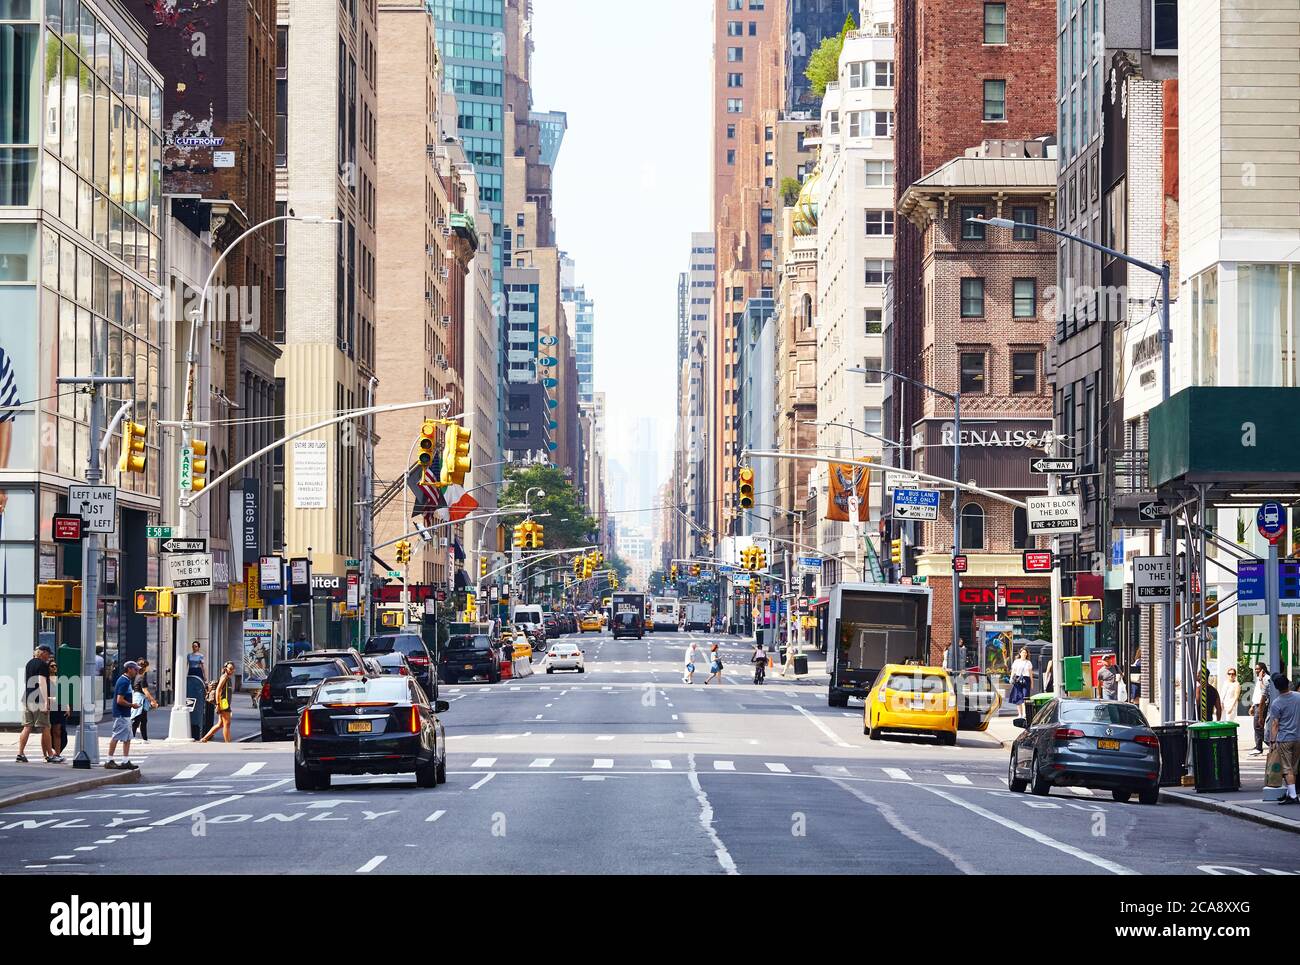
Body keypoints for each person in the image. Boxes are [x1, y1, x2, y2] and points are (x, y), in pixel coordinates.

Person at [16, 644, 55, 763]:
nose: (48, 657)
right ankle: (50, 756)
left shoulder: (29, 663)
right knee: (46, 727)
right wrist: (44, 703)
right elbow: (41, 682)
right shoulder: (42, 665)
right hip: (38, 700)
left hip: (27, 698)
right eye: (48, 654)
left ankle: (20, 753)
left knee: (27, 726)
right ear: (42, 653)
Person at [1266, 673, 1300, 806]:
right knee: (1294, 767)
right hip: (1298, 737)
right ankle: (1290, 792)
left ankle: (1292, 795)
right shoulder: (1298, 697)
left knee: (1287, 768)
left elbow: (1275, 724)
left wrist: (1272, 741)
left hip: (1285, 738)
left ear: (1276, 687)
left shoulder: (1277, 703)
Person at [104, 662, 140, 770]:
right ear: (129, 669)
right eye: (135, 669)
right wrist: (132, 705)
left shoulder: (126, 680)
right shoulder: (124, 681)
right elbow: (119, 700)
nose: (136, 671)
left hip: (125, 714)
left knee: (127, 738)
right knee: (116, 736)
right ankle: (109, 760)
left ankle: (125, 760)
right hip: (121, 714)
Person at [200, 662, 236, 743]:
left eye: (233, 669)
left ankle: (204, 738)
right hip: (223, 703)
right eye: (230, 668)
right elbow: (218, 690)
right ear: (225, 669)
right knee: (227, 724)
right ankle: (228, 743)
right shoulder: (224, 677)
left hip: (225, 703)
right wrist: (218, 704)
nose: (232, 670)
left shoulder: (228, 678)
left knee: (220, 724)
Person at [131, 659, 159, 741]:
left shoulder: (138, 677)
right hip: (140, 700)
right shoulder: (141, 678)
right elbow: (145, 691)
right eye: (147, 667)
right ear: (145, 667)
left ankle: (145, 739)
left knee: (142, 719)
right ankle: (132, 736)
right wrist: (153, 700)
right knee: (137, 719)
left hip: (139, 699)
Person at [47, 658, 69, 756]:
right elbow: (41, 695)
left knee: (58, 731)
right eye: (52, 666)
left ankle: (58, 754)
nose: (55, 667)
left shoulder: (60, 679)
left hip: (60, 707)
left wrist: (67, 706)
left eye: (56, 666)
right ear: (48, 668)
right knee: (47, 731)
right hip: (50, 708)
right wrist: (52, 698)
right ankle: (46, 754)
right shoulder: (45, 680)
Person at [1250, 662, 1272, 756]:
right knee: (1257, 726)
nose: (1256, 671)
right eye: (1255, 669)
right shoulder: (1259, 678)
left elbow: (1265, 692)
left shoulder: (1266, 678)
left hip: (1261, 705)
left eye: (1258, 669)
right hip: (1257, 704)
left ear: (1263, 669)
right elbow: (1257, 693)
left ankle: (1260, 747)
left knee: (1258, 725)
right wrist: (1252, 706)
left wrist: (1260, 679)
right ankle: (1258, 746)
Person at [1008, 647, 1034, 717]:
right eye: (1023, 652)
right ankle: (1020, 714)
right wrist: (1011, 678)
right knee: (1018, 697)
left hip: (1026, 680)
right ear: (1020, 653)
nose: (1024, 654)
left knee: (1025, 697)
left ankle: (1025, 713)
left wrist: (1032, 683)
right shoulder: (1016, 661)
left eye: (1025, 653)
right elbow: (1013, 671)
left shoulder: (1028, 662)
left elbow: (1031, 673)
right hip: (1017, 680)